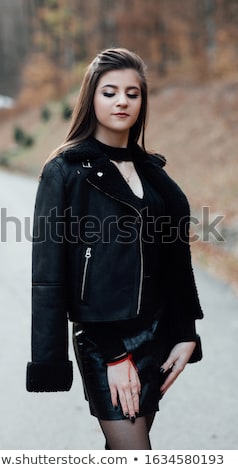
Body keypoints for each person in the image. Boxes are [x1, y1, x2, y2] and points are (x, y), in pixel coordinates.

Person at [26, 48, 203, 450]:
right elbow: (51, 275)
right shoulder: (66, 172)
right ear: (91, 97)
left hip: (157, 334)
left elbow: (175, 260)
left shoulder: (153, 174)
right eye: (110, 92)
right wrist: (113, 354)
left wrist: (185, 330)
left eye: (132, 93)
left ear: (142, 102)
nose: (122, 101)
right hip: (106, 339)